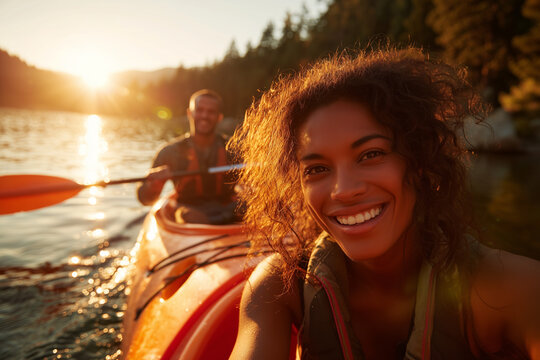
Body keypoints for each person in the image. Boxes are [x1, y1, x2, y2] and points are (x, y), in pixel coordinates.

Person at [228, 47, 540, 359]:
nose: (344, 191)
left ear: (418, 162)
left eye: (371, 154)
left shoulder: (512, 287)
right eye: (317, 169)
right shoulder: (278, 286)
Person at [137, 89, 240, 224]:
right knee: (189, 216)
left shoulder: (235, 148)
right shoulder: (169, 152)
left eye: (211, 112)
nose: (204, 116)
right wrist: (154, 186)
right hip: (190, 213)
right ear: (189, 113)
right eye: (200, 110)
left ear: (219, 117)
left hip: (229, 209)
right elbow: (145, 199)